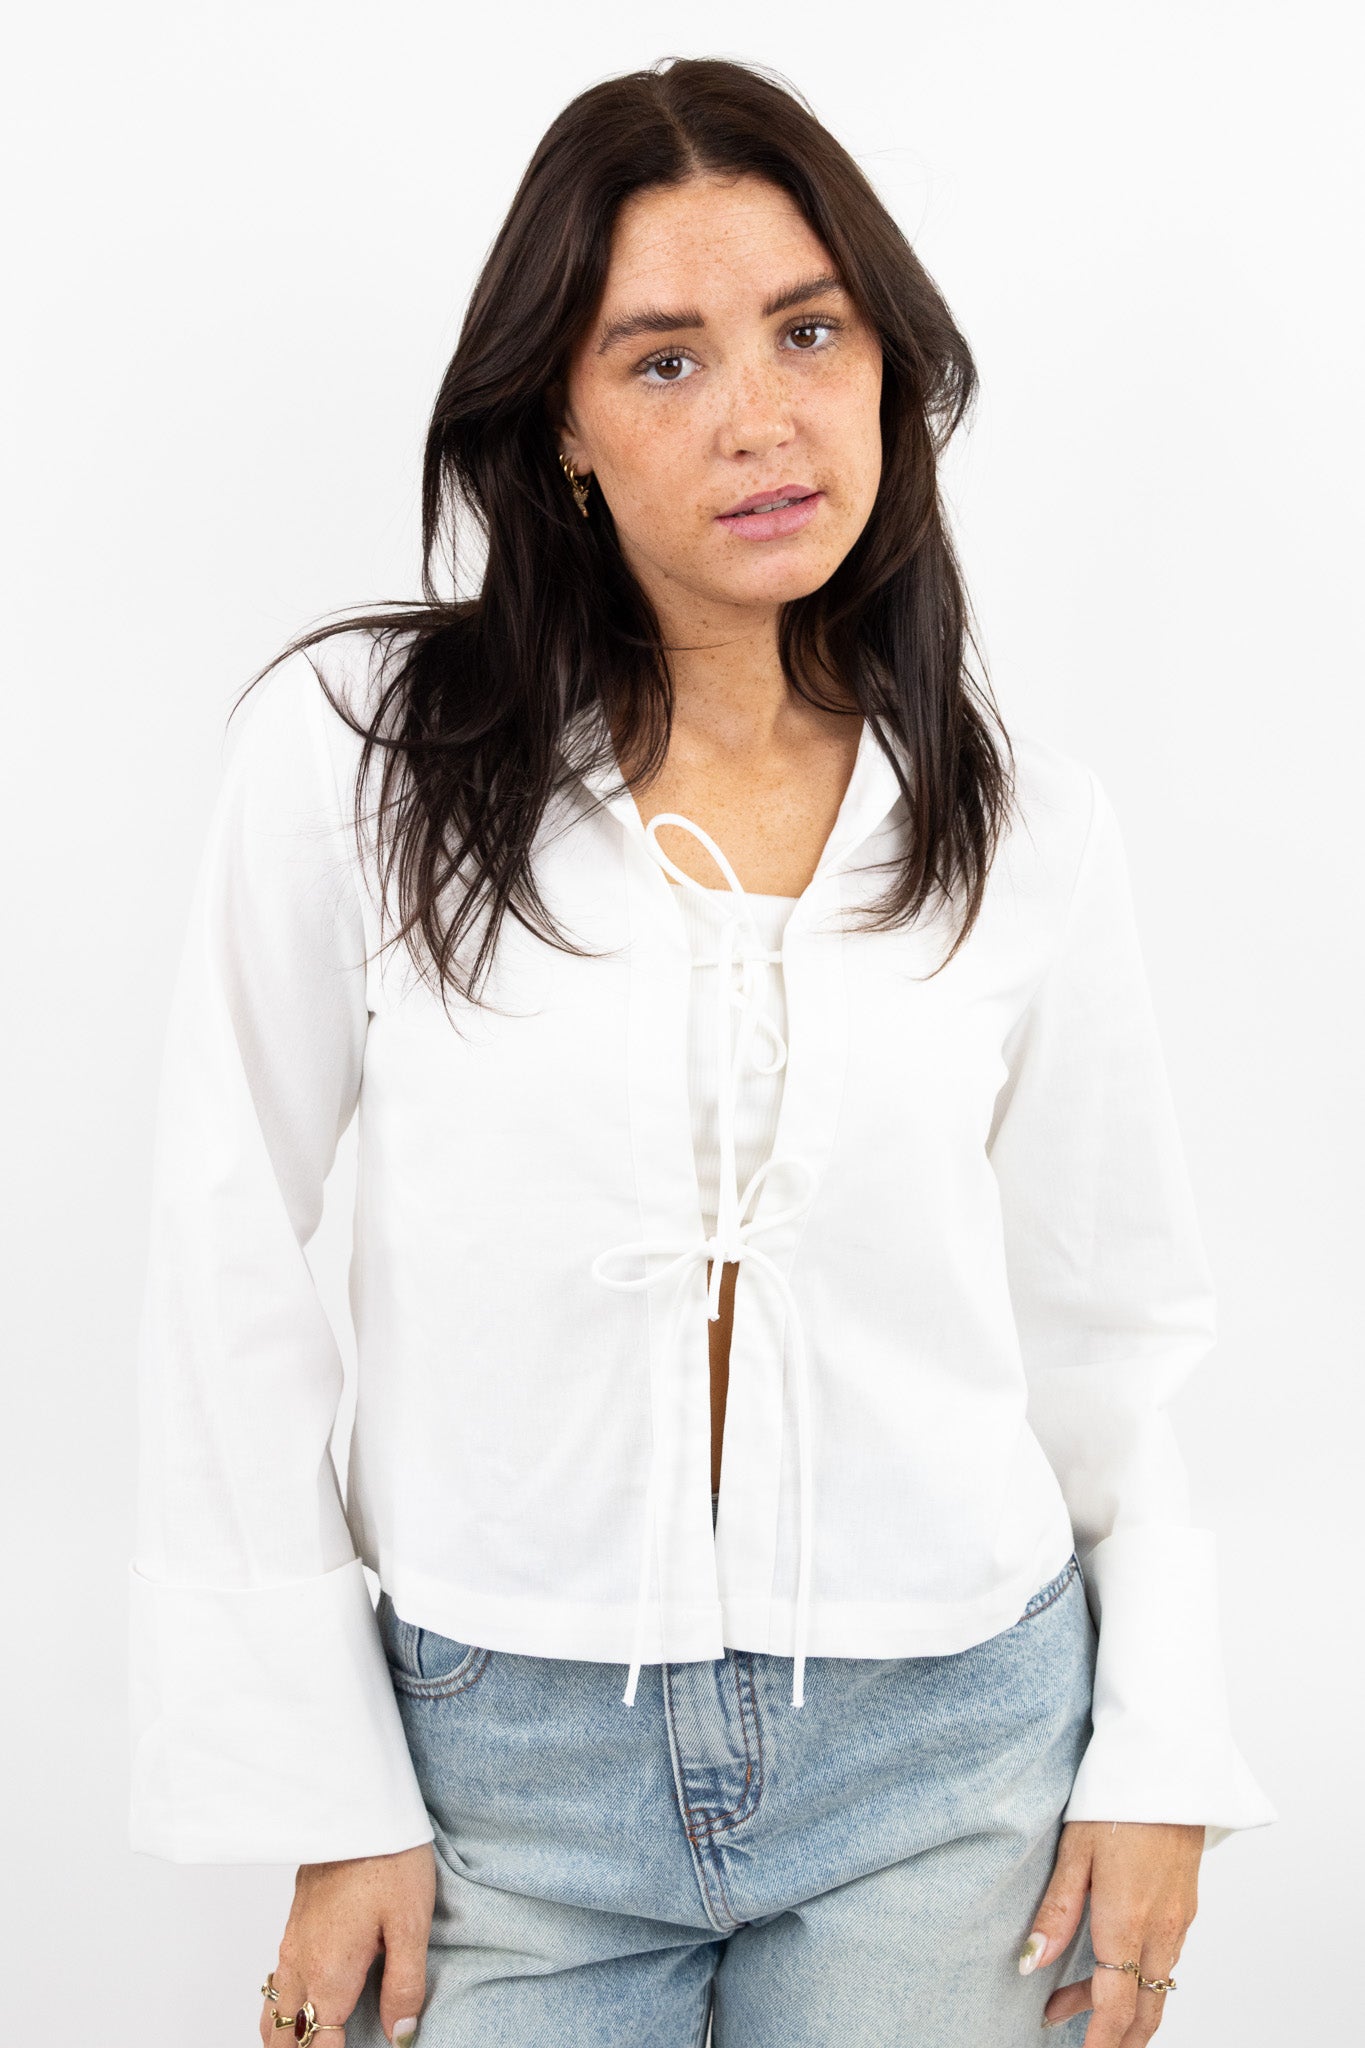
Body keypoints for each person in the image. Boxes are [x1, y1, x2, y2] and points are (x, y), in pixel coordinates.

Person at [127, 54, 1275, 2048]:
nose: (758, 417)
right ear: (557, 429)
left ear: (885, 363)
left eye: (807, 332)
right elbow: (225, 1264)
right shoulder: (359, 757)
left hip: (952, 1757)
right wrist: (326, 1794)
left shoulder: (1019, 827)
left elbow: (1106, 1329)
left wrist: (1158, 1749)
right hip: (500, 1776)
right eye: (661, 361)